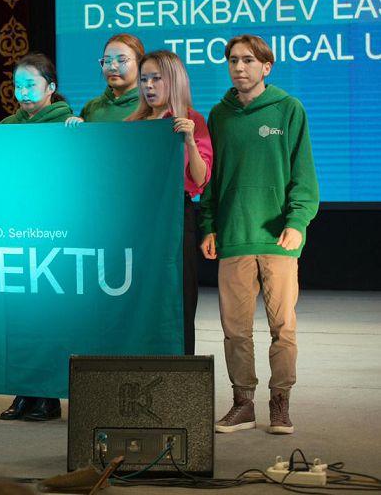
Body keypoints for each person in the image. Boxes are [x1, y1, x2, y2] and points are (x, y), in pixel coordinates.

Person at [200, 35, 318, 435]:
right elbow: (212, 179)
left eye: (248, 60)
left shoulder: (289, 109)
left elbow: (303, 175)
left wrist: (296, 222)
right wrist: (208, 225)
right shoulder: (219, 115)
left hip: (277, 239)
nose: (239, 67)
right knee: (235, 330)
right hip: (234, 236)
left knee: (283, 327)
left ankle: (280, 402)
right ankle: (243, 404)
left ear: (266, 66)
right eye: (233, 60)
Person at [0, 53, 73, 422]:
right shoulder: (7, 126)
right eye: (17, 85)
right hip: (14, 231)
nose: (22, 92)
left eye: (31, 85)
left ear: (51, 87)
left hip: (53, 232)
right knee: (19, 317)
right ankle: (24, 390)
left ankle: (49, 395)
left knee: (49, 317)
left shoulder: (68, 123)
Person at [125, 50, 212, 356]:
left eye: (156, 79)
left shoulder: (191, 120)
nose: (148, 86)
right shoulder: (133, 123)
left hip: (175, 215)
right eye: (144, 79)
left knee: (177, 295)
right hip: (138, 219)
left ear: (174, 80)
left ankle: (181, 372)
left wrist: (189, 141)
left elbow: (200, 179)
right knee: (139, 296)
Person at [69, 34, 145, 125]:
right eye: (107, 61)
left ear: (140, 63)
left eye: (121, 60)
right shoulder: (91, 108)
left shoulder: (150, 106)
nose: (112, 67)